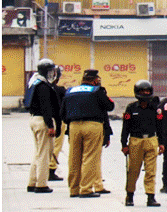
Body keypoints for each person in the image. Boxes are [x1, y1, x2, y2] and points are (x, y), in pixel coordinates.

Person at [62, 69, 114, 198]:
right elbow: (109, 106)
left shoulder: (70, 91)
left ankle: (74, 189)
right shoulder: (97, 91)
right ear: (95, 80)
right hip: (93, 125)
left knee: (74, 158)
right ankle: (85, 189)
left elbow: (62, 112)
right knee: (90, 157)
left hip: (73, 126)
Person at [120, 80, 163, 207]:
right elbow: (125, 127)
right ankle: (129, 196)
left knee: (151, 170)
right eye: (142, 91)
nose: (145, 93)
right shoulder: (131, 108)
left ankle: (151, 197)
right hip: (135, 141)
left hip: (151, 140)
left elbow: (160, 127)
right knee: (133, 170)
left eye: (147, 91)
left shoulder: (156, 108)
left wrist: (162, 143)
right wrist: (124, 145)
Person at [26, 58, 61, 194]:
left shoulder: (34, 83)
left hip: (34, 119)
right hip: (43, 121)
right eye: (51, 71)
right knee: (44, 154)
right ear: (46, 71)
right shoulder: (43, 87)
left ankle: (32, 182)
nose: (52, 74)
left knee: (38, 152)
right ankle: (41, 184)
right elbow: (46, 107)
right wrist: (51, 125)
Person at [47, 66, 67, 182]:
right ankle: (51, 169)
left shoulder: (41, 88)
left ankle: (43, 170)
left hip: (44, 120)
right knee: (56, 146)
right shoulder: (60, 90)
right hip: (58, 121)